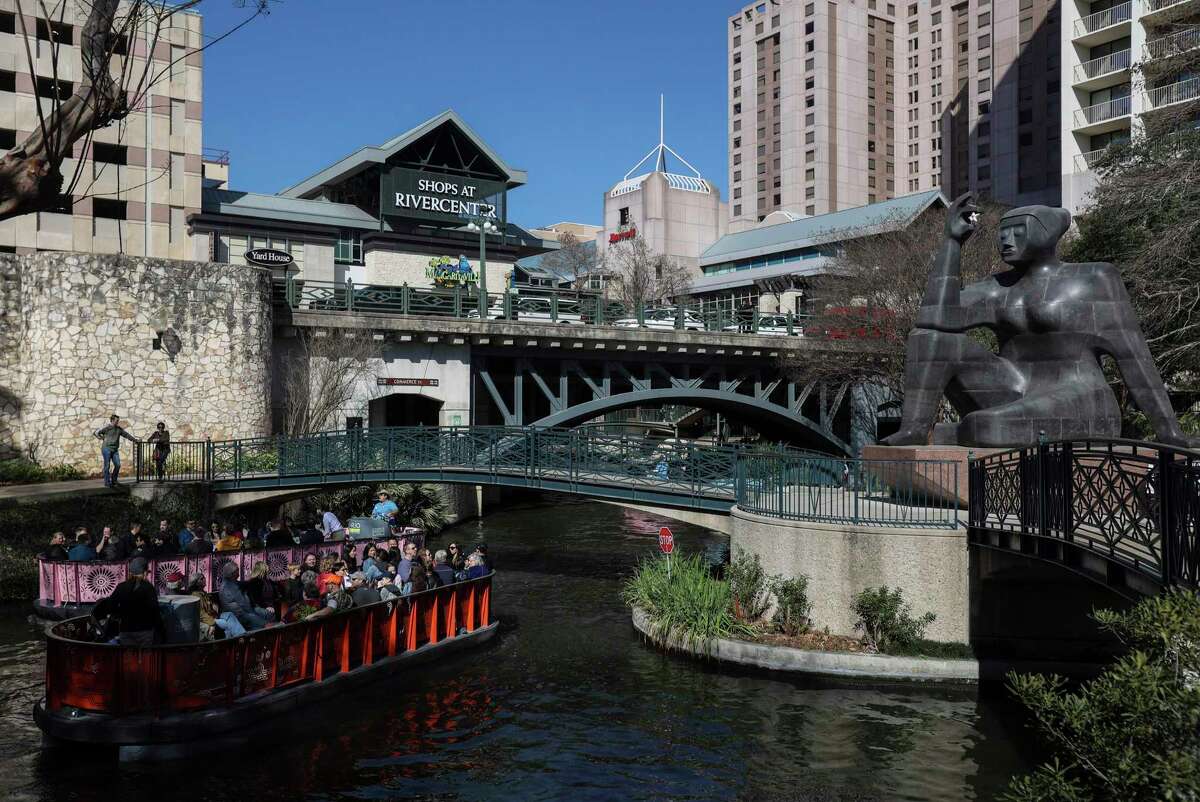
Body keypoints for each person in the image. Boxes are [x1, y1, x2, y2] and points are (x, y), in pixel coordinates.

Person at [91, 557, 164, 646]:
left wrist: (120, 614)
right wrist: (161, 630)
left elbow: (110, 607)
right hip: (145, 631)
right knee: (145, 658)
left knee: (129, 658)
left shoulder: (121, 587)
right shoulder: (148, 588)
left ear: (130, 572)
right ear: (145, 572)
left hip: (126, 630)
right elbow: (155, 611)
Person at [188, 572, 245, 640]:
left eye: (204, 577)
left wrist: (214, 606)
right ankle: (230, 643)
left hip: (214, 614)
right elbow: (201, 614)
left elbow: (211, 606)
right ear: (196, 583)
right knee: (225, 624)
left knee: (229, 614)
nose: (204, 579)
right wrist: (212, 623)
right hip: (208, 619)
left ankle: (242, 635)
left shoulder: (203, 593)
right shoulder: (196, 595)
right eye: (201, 579)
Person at [217, 563, 272, 631]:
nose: (239, 571)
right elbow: (242, 609)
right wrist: (262, 622)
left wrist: (256, 578)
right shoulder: (227, 588)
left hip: (248, 610)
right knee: (264, 624)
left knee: (269, 614)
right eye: (237, 570)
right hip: (241, 616)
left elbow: (247, 584)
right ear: (232, 573)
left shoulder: (233, 582)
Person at [94, 414, 138, 487]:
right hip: (106, 448)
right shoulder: (107, 428)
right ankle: (107, 482)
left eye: (118, 421)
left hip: (115, 450)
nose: (117, 422)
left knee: (117, 465)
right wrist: (102, 438)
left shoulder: (119, 429)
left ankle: (114, 480)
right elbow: (96, 433)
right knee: (107, 466)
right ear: (112, 420)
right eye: (116, 421)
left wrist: (135, 440)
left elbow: (126, 435)